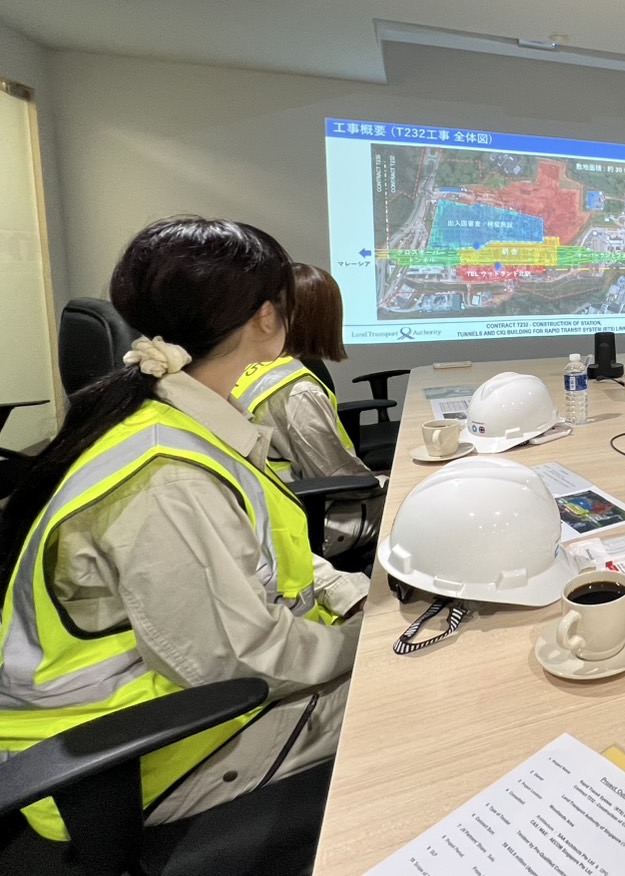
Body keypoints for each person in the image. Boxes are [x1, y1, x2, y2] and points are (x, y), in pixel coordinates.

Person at [0, 217, 366, 841]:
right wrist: (368, 643)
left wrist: (354, 596)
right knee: (424, 695)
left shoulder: (172, 419)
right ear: (266, 318)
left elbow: (269, 559)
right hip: (141, 750)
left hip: (175, 701)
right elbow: (240, 661)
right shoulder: (167, 477)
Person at [233, 262, 383, 558]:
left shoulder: (248, 368)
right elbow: (340, 479)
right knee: (411, 504)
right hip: (303, 520)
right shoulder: (298, 391)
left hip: (261, 513)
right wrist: (386, 482)